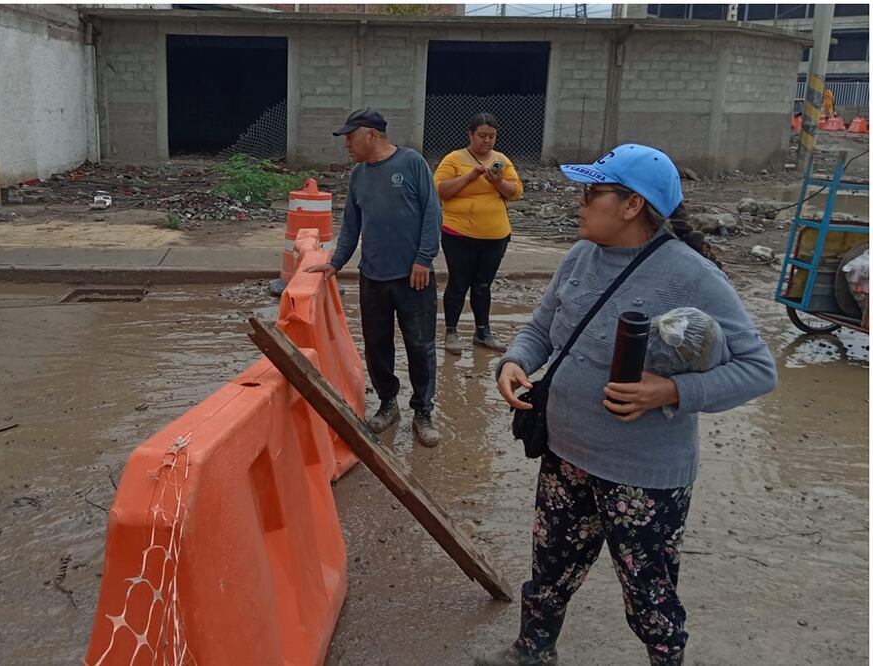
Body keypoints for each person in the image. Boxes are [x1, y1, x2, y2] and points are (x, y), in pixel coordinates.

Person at [478, 144, 778, 666]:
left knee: (649, 593)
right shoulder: (580, 256)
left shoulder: (692, 276)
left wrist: (672, 392)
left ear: (632, 205)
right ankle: (533, 650)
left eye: (592, 192)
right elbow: (542, 328)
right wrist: (513, 361)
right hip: (565, 454)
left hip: (643, 475)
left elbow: (758, 369)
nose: (580, 201)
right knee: (550, 568)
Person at [306, 108, 444, 447]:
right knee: (377, 345)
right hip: (373, 277)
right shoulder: (358, 175)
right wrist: (335, 263)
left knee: (420, 346)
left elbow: (432, 213)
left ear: (370, 134)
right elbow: (352, 225)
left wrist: (423, 259)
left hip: (414, 277)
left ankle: (423, 412)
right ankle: (388, 403)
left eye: (350, 137)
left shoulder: (412, 163)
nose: (347, 145)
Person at [434, 112, 524, 355]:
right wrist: (470, 176)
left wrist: (497, 182)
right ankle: (451, 332)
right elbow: (441, 189)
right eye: (482, 135)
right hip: (459, 234)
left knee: (483, 285)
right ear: (470, 135)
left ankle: (483, 332)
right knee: (458, 282)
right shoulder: (454, 158)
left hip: (495, 236)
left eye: (492, 136)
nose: (487, 141)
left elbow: (516, 191)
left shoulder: (501, 160)